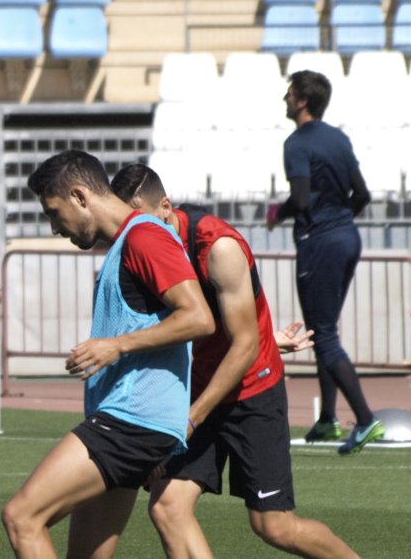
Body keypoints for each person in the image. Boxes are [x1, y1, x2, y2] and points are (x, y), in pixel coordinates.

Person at [108, 163, 358, 559]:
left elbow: (243, 345)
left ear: (166, 207)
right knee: (167, 508)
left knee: (273, 525)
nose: (133, 233)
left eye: (140, 221)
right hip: (197, 391)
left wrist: (189, 419)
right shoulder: (142, 251)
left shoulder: (217, 246)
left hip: (250, 390)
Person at [1, 150, 215, 559]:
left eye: (54, 212)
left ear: (80, 197)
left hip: (132, 422)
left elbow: (199, 318)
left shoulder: (145, 236)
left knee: (21, 517)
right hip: (131, 424)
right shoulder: (126, 244)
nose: (53, 227)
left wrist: (115, 346)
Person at [268, 70, 384, 455]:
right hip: (349, 237)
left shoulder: (296, 144)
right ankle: (327, 420)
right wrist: (338, 220)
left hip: (319, 243)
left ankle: (365, 420)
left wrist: (277, 213)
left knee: (324, 333)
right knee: (325, 329)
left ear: (302, 101)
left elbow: (300, 200)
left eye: (289, 93)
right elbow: (363, 194)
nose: (285, 99)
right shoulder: (339, 138)